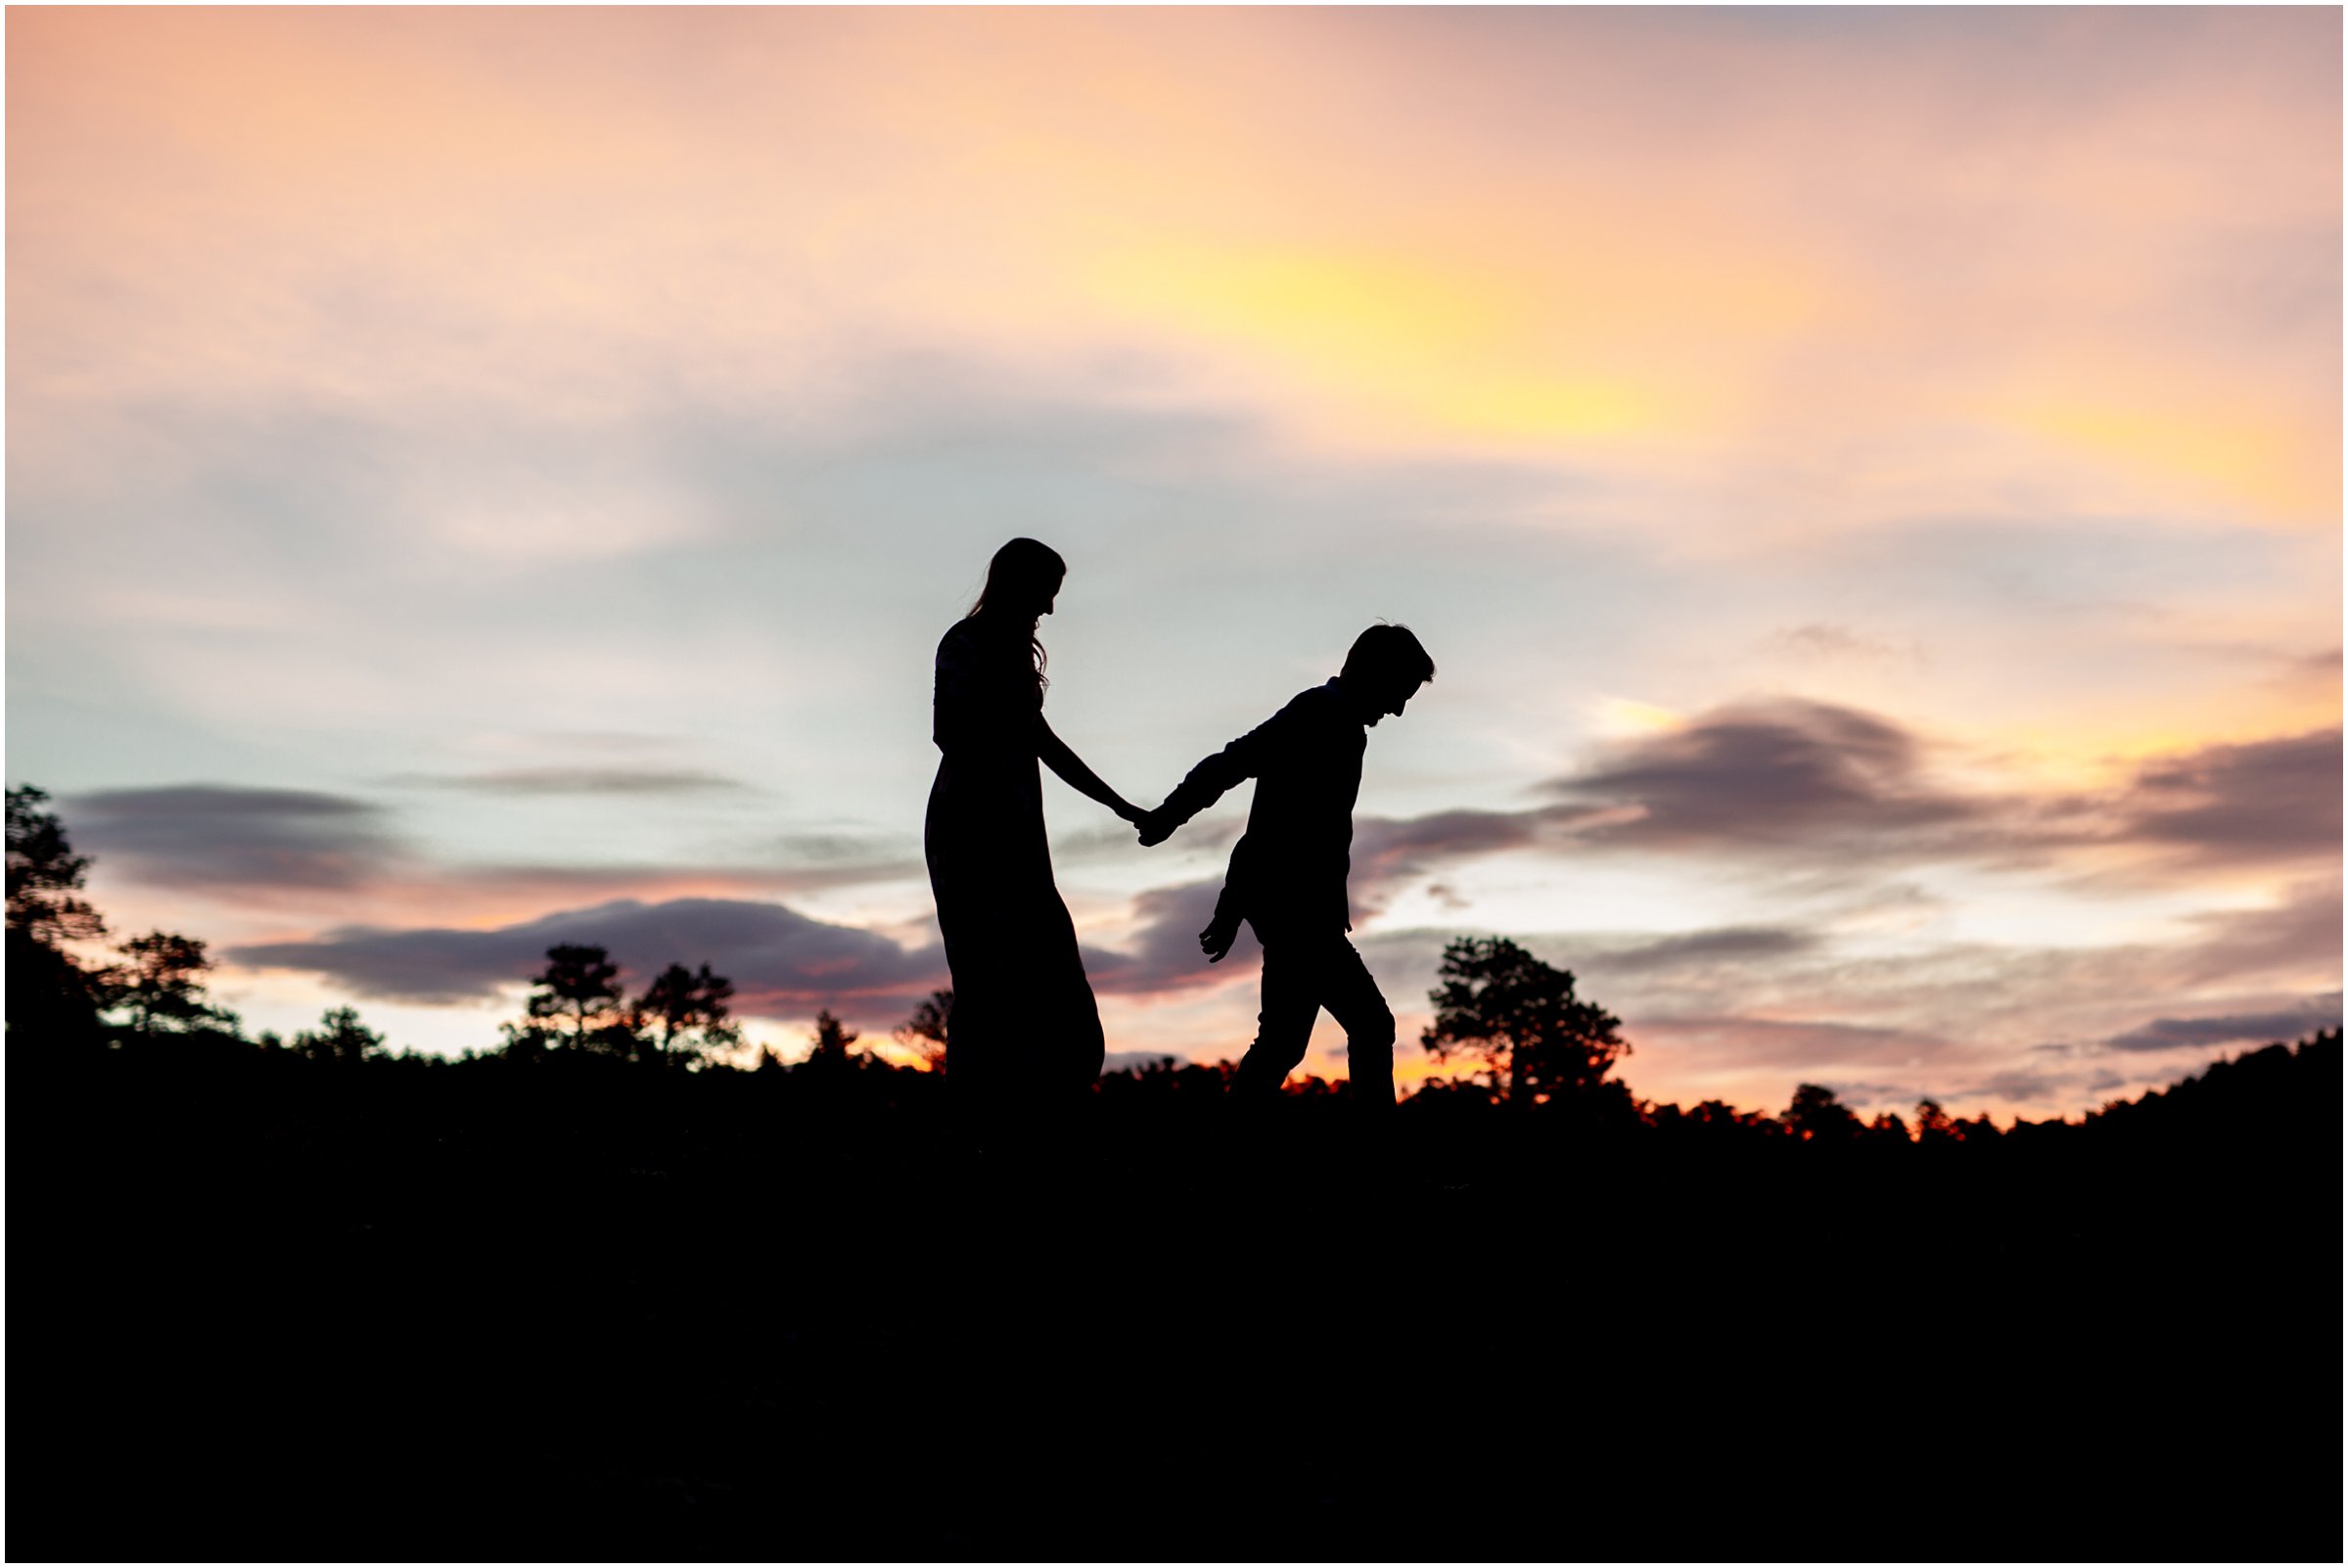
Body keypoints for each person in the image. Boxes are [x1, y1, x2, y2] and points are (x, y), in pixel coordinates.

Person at [1135, 623, 1435, 1122]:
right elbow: (1233, 765)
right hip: (1296, 911)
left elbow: (1276, 820)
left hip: (1300, 908)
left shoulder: (1341, 725)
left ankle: (1223, 1161)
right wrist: (1170, 815)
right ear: (1372, 672)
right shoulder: (1317, 714)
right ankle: (1381, 1172)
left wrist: (1236, 899)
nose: (1397, 710)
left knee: (1282, 1043)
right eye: (1398, 693)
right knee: (1370, 1025)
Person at [926, 537, 1146, 1135]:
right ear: (1018, 585)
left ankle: (1038, 1115)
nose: (1049, 609)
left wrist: (1119, 805)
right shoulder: (965, 644)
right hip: (972, 832)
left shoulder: (1015, 657)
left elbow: (1044, 744)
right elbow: (952, 735)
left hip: (1018, 836)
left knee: (1047, 973)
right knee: (983, 980)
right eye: (1046, 592)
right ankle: (977, 1126)